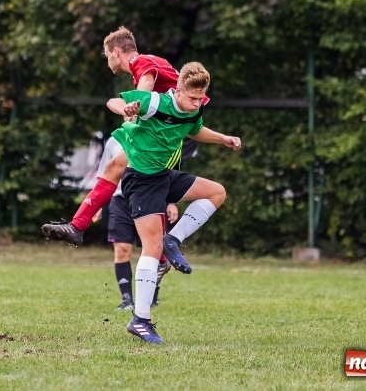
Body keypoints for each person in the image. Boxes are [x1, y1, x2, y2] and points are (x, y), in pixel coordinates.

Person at [108, 62, 241, 344]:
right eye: (191, 98)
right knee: (151, 248)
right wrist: (127, 109)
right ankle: (140, 320)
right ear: (177, 89)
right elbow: (113, 101)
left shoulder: (195, 109)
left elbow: (195, 130)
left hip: (165, 176)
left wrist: (223, 139)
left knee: (216, 192)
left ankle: (174, 240)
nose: (196, 103)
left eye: (200, 98)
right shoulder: (156, 102)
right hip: (141, 180)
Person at [41, 26, 200, 245]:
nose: (108, 62)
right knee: (116, 167)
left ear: (116, 52)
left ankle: (164, 253)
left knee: (149, 191)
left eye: (107, 56)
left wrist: (137, 109)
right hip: (163, 132)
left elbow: (147, 80)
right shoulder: (149, 62)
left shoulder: (139, 62)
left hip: (174, 134)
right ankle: (77, 226)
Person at [100, 136, 174, 310]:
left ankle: (151, 294)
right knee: (122, 250)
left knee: (154, 249)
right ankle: (126, 300)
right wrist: (97, 205)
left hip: (148, 198)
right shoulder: (114, 140)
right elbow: (104, 174)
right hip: (120, 202)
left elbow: (168, 173)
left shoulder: (155, 135)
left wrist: (172, 202)